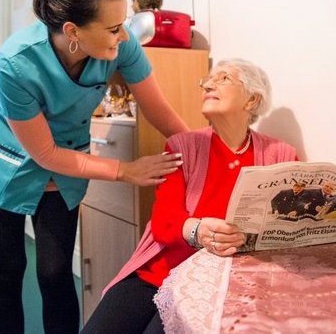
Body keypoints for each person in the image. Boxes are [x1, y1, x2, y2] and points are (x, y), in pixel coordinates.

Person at [0, 0, 187, 334]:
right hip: (5, 165)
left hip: (64, 168)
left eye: (123, 24)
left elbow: (158, 110)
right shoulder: (14, 63)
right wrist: (124, 171)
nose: (123, 35)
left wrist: (199, 150)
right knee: (7, 270)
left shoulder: (121, 43)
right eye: (113, 27)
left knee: (54, 273)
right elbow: (45, 152)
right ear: (72, 31)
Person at [81, 58, 297, 334]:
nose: (208, 84)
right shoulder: (183, 145)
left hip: (214, 284)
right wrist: (198, 230)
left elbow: (285, 226)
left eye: (223, 78)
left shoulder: (280, 155)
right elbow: (163, 222)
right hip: (158, 273)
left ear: (251, 100)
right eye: (207, 80)